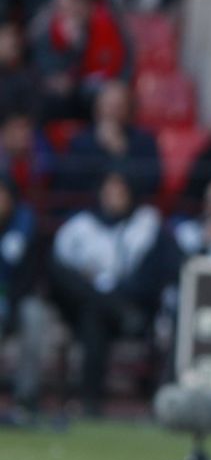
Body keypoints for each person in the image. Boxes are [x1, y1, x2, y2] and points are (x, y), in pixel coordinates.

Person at [48, 168, 177, 414]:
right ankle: (90, 402)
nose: (114, 196)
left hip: (136, 307)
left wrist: (119, 292)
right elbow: (57, 270)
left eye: (121, 190)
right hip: (88, 309)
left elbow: (155, 273)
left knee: (97, 313)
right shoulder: (80, 227)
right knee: (93, 312)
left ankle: (90, 400)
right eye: (110, 190)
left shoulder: (146, 225)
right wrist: (96, 293)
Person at [57, 78, 160, 203]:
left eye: (118, 106)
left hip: (133, 211)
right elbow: (69, 186)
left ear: (129, 110)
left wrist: (120, 152)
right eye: (107, 105)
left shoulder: (144, 142)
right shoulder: (80, 142)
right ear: (97, 108)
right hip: (89, 210)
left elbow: (151, 186)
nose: (111, 111)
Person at [0, 171, 46, 421]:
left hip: (18, 297)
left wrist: (10, 304)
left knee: (35, 315)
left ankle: (26, 399)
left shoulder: (26, 224)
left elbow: (29, 276)